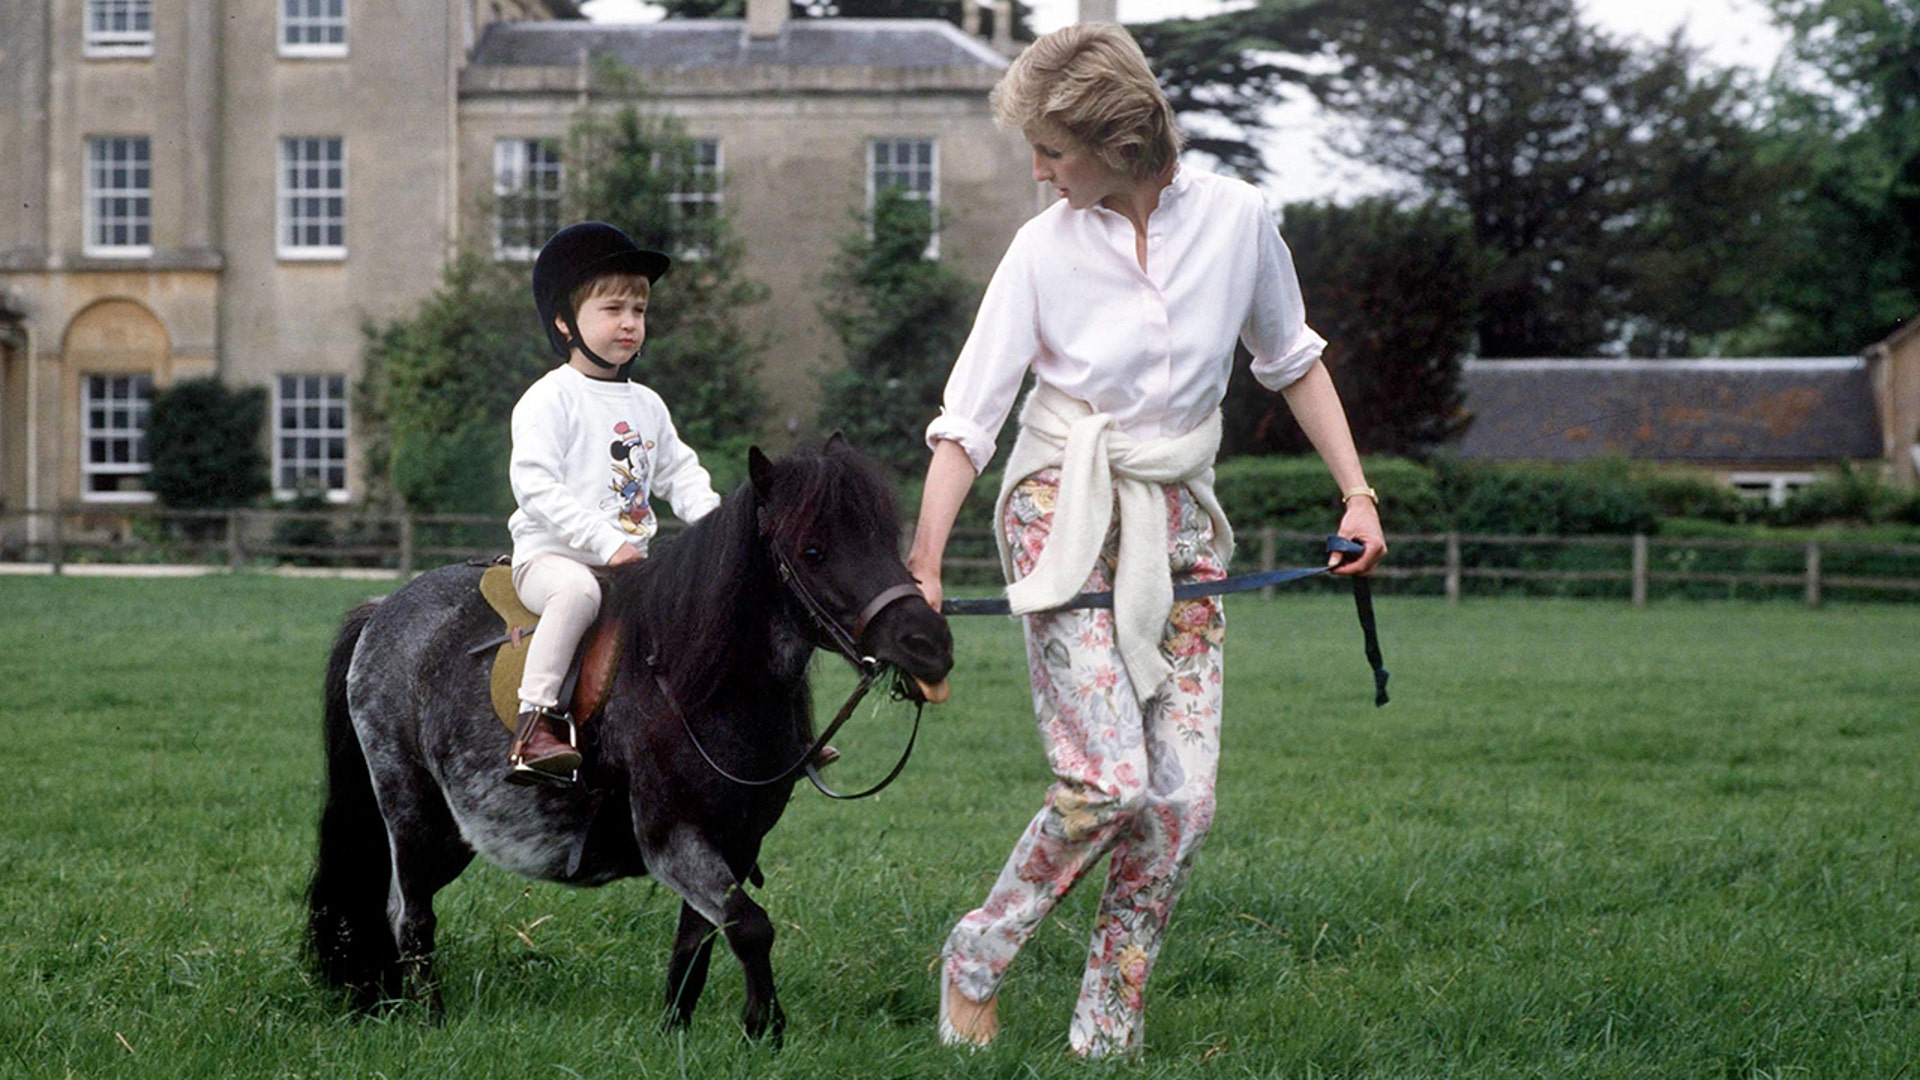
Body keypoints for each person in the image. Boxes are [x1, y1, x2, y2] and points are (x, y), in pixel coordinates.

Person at [906, 23, 1388, 1058]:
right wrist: (924, 566)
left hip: (1180, 521)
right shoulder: (1042, 247)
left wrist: (1358, 495)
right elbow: (969, 420)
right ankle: (976, 955)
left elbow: (1292, 361)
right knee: (1107, 782)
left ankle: (1109, 1021)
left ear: (1120, 141)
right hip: (1061, 512)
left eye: (1051, 149)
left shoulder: (1240, 221)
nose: (1038, 170)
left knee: (1178, 803)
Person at [505, 221, 722, 785]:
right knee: (577, 593)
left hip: (629, 565)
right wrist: (607, 543)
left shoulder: (647, 404)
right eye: (613, 309)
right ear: (564, 322)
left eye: (640, 311)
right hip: (552, 560)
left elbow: (681, 474)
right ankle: (534, 726)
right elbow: (535, 485)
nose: (630, 323)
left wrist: (721, 529)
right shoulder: (550, 398)